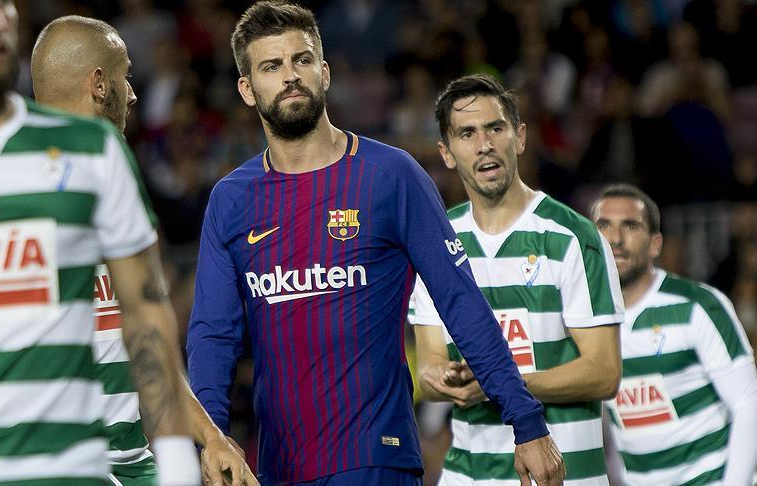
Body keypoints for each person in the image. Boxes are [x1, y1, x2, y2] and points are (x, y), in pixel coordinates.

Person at [186, 2, 565, 485]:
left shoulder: (390, 175)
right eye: (271, 66)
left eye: (302, 60)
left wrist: (526, 422)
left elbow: (460, 300)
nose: (290, 76)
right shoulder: (231, 200)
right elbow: (213, 336)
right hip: (278, 466)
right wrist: (212, 439)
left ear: (324, 72)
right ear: (246, 88)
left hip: (376, 457)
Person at [0, 2, 199, 484]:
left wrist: (179, 468)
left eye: (3, 3)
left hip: (77, 465)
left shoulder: (94, 150)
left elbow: (145, 315)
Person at [30, 15, 256, 486]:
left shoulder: (114, 180)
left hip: (135, 463)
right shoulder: (15, 191)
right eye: (125, 76)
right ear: (99, 85)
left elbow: (146, 345)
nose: (132, 94)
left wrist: (211, 437)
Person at [408, 73, 624, 485]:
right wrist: (441, 379)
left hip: (563, 474)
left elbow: (604, 370)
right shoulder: (436, 241)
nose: (484, 144)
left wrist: (500, 384)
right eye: (467, 133)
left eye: (495, 128)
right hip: (468, 475)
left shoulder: (573, 237)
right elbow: (430, 367)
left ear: (520, 137)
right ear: (447, 153)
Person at [590, 184, 757, 485]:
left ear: (655, 244)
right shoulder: (586, 319)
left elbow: (748, 403)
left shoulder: (698, 305)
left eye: (630, 226)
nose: (615, 239)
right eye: (604, 226)